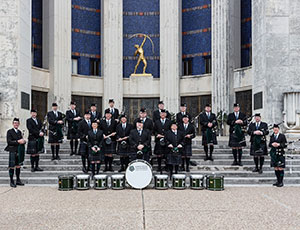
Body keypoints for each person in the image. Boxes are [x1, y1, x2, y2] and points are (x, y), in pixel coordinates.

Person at [5, 118, 26, 187]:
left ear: (19, 124)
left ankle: (18, 180)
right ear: (13, 124)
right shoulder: (9, 131)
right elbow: (9, 142)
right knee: (11, 166)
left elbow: (21, 140)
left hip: (19, 150)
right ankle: (11, 181)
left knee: (18, 165)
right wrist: (17, 141)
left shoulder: (19, 132)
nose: (16, 124)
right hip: (12, 150)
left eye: (17, 123)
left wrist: (23, 141)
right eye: (15, 123)